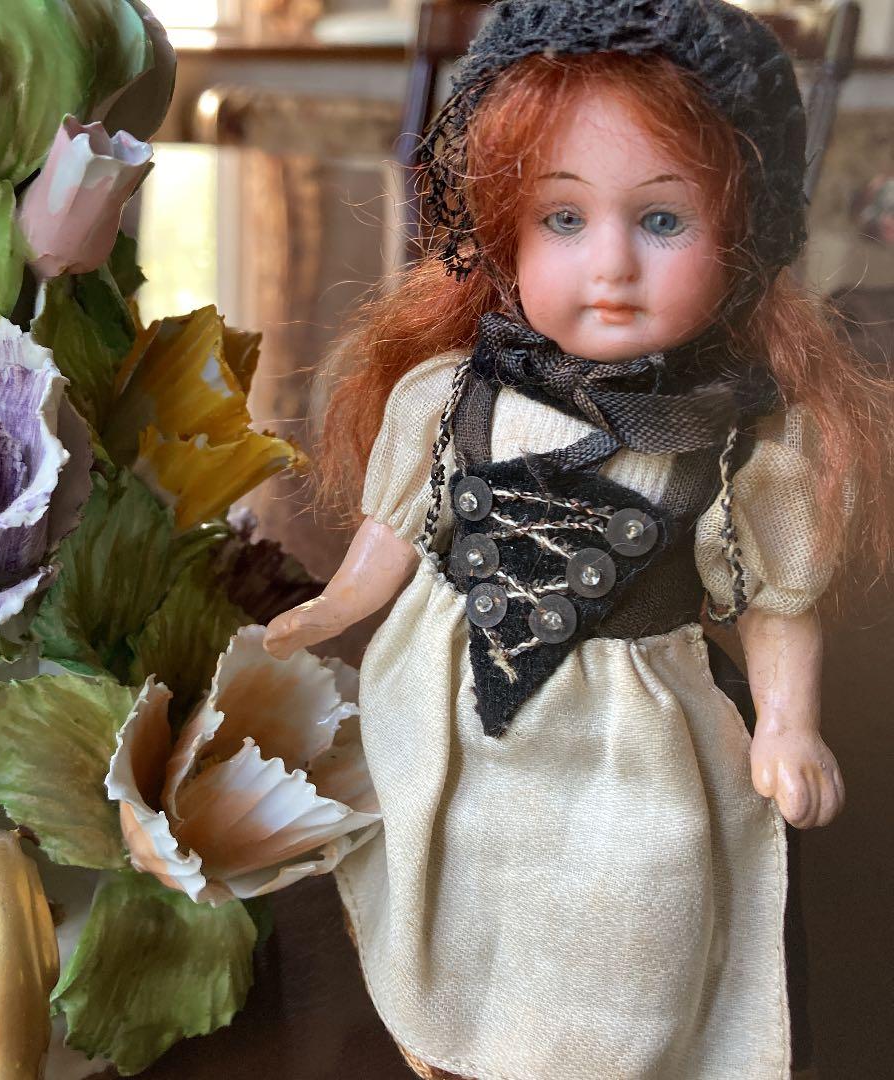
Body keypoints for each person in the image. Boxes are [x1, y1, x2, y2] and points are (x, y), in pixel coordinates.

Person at [264, 2, 892, 1077]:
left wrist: (788, 724)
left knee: (637, 901)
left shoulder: (738, 444)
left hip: (627, 734)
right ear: (501, 227)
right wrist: (334, 606)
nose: (611, 265)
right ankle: (457, 1035)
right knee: (451, 868)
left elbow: (776, 599)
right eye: (563, 218)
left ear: (742, 241)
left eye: (662, 220)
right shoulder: (447, 396)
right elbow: (393, 530)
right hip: (449, 698)